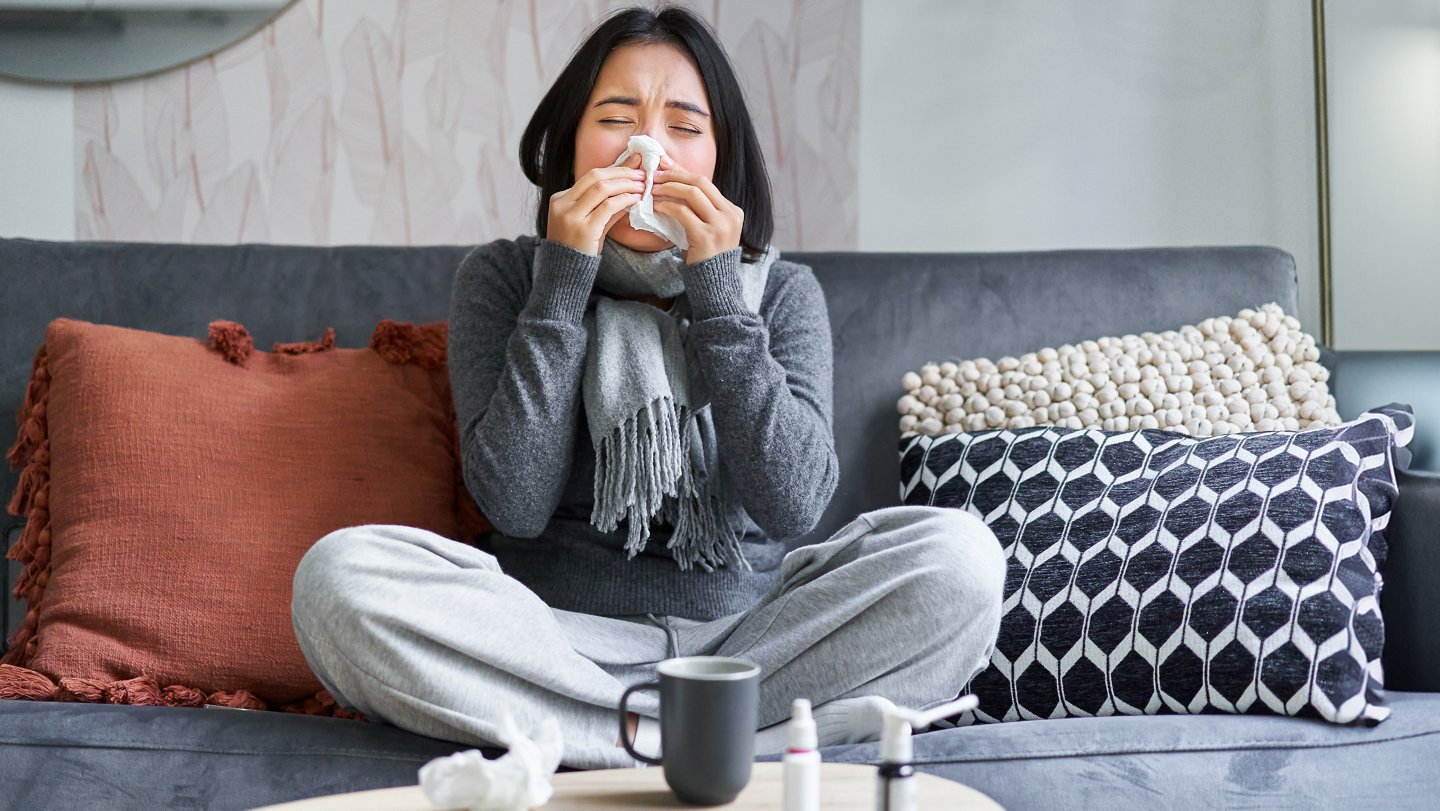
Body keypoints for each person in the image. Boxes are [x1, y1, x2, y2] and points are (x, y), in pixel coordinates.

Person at [290, 5, 1005, 771]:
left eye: (684, 127)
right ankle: (720, 743)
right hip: (557, 644)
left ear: (720, 162)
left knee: (960, 558)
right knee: (337, 578)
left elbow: (794, 504)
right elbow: (516, 505)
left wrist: (722, 298)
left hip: (749, 648)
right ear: (570, 144)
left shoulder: (784, 292)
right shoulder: (503, 276)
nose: (647, 151)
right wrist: (561, 282)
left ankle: (591, 742)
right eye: (617, 118)